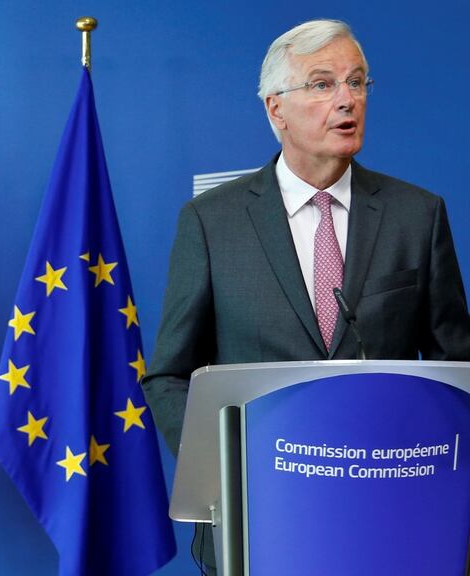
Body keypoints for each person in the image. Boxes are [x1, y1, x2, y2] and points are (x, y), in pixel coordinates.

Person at [142, 19, 470, 574]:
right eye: (323, 84)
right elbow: (169, 375)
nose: (346, 100)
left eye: (357, 82)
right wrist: (225, 474)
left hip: (392, 509)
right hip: (260, 517)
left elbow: (456, 369)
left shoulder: (418, 215)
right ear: (276, 110)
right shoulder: (211, 222)